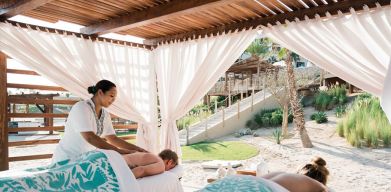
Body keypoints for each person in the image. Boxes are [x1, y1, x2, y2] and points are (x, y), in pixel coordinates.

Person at [52, 80, 164, 178]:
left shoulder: (105, 114)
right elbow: (90, 137)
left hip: (84, 160)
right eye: (111, 96)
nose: (113, 100)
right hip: (66, 158)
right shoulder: (81, 107)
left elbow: (113, 138)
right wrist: (120, 151)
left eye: (114, 98)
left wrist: (139, 149)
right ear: (100, 92)